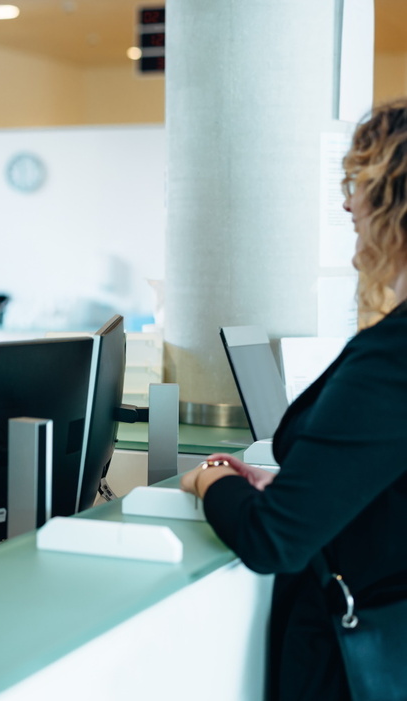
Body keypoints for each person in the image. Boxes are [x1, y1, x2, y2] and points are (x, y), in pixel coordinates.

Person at [181, 98, 407, 700]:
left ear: (392, 200)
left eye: (356, 185)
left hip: (358, 655)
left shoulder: (395, 355)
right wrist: (308, 486)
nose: (345, 205)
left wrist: (208, 480)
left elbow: (272, 541)